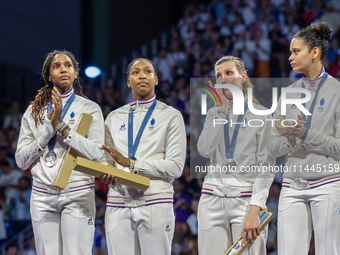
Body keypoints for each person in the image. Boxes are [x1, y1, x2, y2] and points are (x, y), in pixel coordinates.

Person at [15, 50, 105, 255]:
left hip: (78, 192)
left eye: (68, 66)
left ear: (75, 74)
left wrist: (63, 128)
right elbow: (21, 161)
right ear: (49, 75)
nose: (63, 69)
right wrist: (47, 133)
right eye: (56, 66)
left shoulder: (90, 108)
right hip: (41, 195)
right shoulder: (33, 111)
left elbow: (97, 154)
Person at [100, 58, 186, 255]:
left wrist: (132, 164)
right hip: (118, 201)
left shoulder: (171, 116)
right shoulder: (113, 117)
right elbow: (106, 158)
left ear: (156, 80)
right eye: (135, 72)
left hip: (154, 200)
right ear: (129, 82)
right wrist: (107, 170)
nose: (142, 75)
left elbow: (175, 167)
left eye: (147, 71)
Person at [267, 22, 340, 254]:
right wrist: (289, 139)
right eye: (290, 52)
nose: (290, 57)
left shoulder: (336, 91)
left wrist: (306, 135)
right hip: (291, 186)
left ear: (315, 52)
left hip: (327, 184)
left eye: (296, 51)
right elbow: (269, 146)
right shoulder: (288, 95)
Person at [197, 55, 275, 255]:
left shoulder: (263, 115)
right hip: (211, 199)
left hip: (245, 201)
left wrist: (254, 210)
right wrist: (222, 110)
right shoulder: (214, 114)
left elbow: (266, 168)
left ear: (243, 76)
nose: (223, 79)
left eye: (229, 73)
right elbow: (204, 150)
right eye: (218, 75)